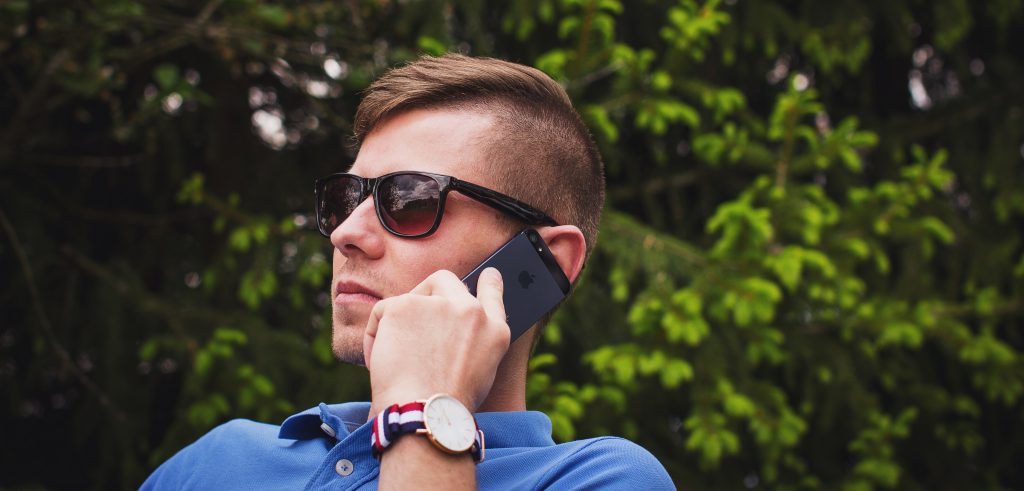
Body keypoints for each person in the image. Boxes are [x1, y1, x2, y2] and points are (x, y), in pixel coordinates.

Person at [141, 54, 674, 490]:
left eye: (409, 199)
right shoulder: (216, 462)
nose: (345, 232)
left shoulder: (598, 480)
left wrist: (419, 410)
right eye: (344, 197)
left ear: (546, 260)